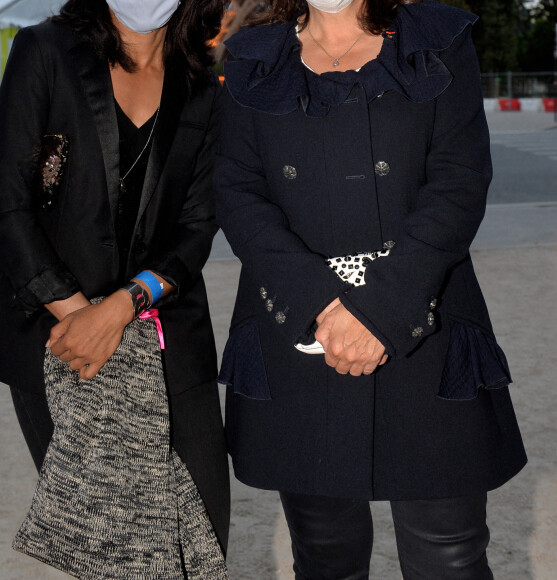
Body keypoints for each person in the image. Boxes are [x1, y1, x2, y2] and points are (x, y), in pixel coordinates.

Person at [215, 0, 527, 577]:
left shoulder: (437, 40)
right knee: (324, 556)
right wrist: (319, 305)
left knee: (449, 553)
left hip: (422, 320)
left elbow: (459, 181)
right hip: (302, 335)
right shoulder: (251, 57)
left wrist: (379, 310)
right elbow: (237, 191)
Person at [0, 0, 229, 563]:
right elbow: (7, 202)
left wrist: (121, 308)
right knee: (116, 552)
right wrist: (78, 314)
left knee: (198, 546)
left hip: (169, 336)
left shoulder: (202, 77)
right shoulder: (45, 51)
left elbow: (198, 225)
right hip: (60, 343)